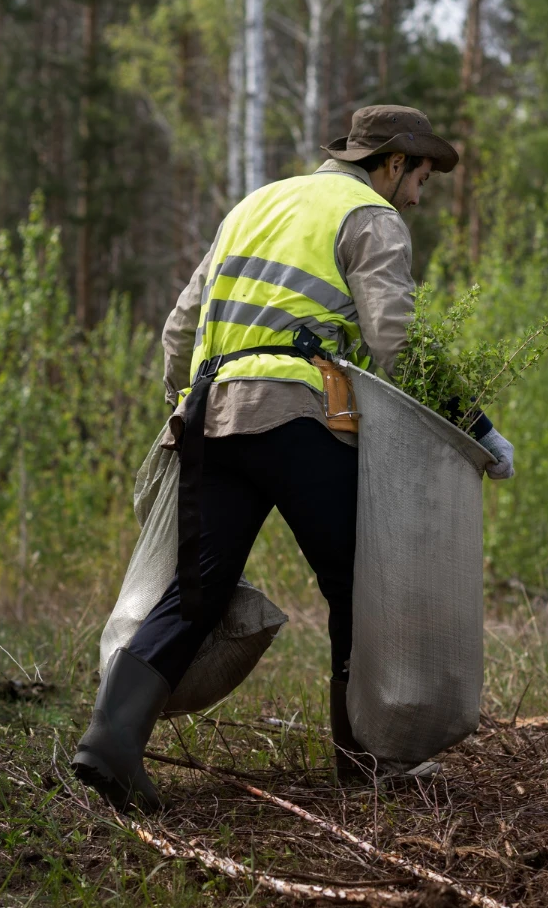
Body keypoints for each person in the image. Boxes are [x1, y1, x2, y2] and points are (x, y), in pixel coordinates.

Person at [71, 105, 516, 812]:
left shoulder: (254, 205)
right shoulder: (369, 217)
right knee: (361, 587)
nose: (423, 190)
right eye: (422, 173)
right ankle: (366, 760)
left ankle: (111, 743)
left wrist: (183, 402)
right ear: (393, 163)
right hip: (297, 418)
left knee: (198, 590)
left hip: (210, 416)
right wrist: (476, 428)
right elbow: (395, 341)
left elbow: (178, 328)